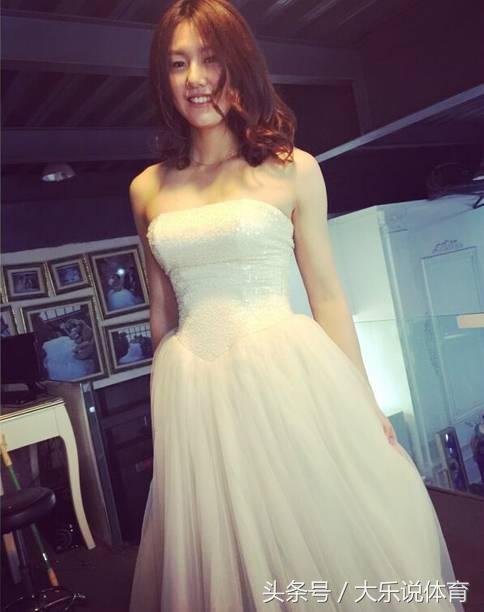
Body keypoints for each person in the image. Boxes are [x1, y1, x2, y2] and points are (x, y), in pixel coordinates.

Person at [128, 1, 465, 610]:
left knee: (316, 535)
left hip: (282, 376)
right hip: (192, 390)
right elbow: (161, 313)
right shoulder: (147, 187)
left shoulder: (294, 170)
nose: (195, 78)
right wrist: (168, 422)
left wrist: (365, 403)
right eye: (178, 63)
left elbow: (327, 296)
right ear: (163, 78)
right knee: (223, 558)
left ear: (238, 65)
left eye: (210, 59)